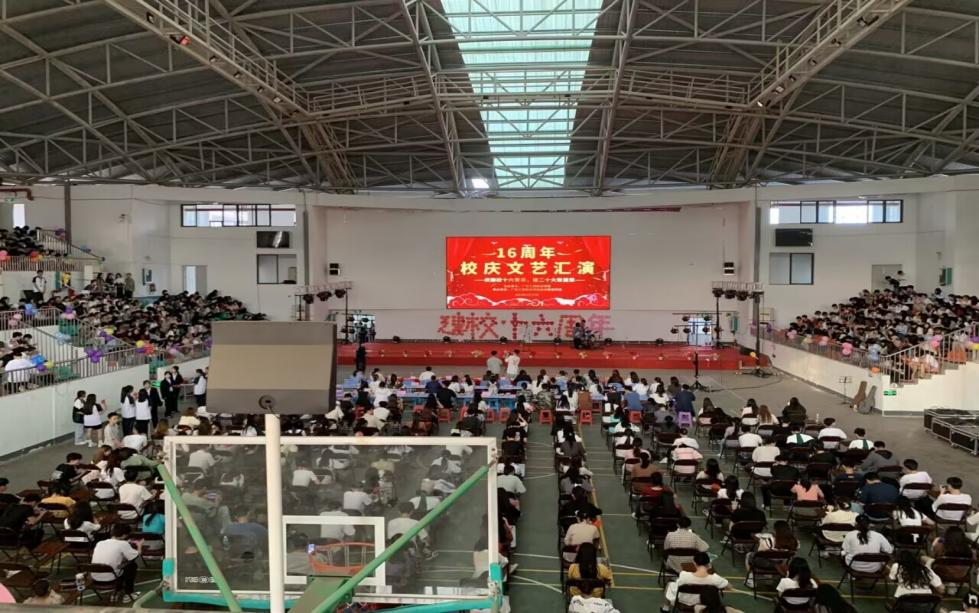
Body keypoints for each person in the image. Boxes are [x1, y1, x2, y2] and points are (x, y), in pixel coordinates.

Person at [664, 552, 729, 612]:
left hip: (684, 601)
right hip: (704, 602)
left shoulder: (684, 575)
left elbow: (678, 584)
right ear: (709, 564)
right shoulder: (715, 578)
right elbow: (728, 586)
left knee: (670, 584)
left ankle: (665, 607)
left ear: (694, 563)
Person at [91, 524, 141, 597]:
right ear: (124, 535)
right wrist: (139, 545)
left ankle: (118, 591)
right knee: (132, 565)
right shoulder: (123, 544)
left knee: (120, 563)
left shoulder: (100, 543)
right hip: (111, 578)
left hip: (95, 578)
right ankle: (129, 593)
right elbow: (136, 555)